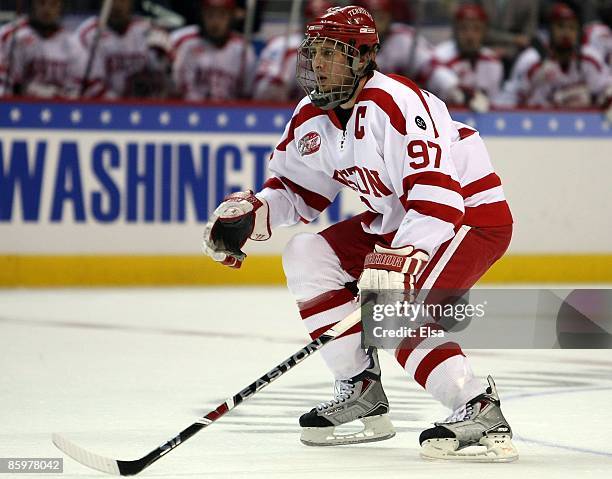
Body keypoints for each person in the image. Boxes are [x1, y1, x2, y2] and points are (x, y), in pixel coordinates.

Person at [203, 5, 517, 461]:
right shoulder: (311, 115)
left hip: (467, 217)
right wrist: (251, 215)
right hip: (397, 219)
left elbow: (438, 199)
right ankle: (361, 389)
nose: (319, 65)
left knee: (389, 310)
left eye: (333, 54)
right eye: (315, 53)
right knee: (307, 255)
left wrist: (404, 256)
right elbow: (295, 190)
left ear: (363, 58)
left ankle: (478, 406)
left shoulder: (395, 102)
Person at [496, 2, 612, 114]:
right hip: (539, 127)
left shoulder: (589, 59)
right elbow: (510, 99)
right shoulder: (532, 60)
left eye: (571, 28)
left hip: (582, 129)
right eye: (560, 26)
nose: (566, 33)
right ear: (550, 30)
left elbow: (606, 89)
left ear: (578, 33)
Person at [76, 0, 171, 98]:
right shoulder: (88, 34)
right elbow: (90, 86)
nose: (116, 5)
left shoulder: (148, 31)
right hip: (103, 108)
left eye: (122, 1)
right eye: (112, 1)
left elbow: (166, 81)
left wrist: (161, 60)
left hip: (142, 107)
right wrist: (122, 108)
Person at [0, 0, 93, 98]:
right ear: (32, 5)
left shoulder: (73, 43)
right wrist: (28, 90)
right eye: (41, 2)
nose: (47, 9)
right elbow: (4, 86)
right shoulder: (11, 36)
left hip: (60, 109)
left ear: (62, 7)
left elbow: (78, 89)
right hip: (20, 107)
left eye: (54, 4)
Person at [171, 0, 256, 101]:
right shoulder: (187, 44)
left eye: (222, 15)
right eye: (210, 15)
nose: (215, 22)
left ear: (232, 17)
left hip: (230, 113)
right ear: (201, 16)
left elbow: (247, 95)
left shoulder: (244, 50)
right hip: (192, 111)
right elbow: (180, 91)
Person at [253, 0, 334, 102]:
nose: (319, 30)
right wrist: (279, 82)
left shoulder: (341, 53)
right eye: (314, 21)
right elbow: (261, 95)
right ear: (306, 20)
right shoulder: (282, 46)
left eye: (325, 24)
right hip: (283, 110)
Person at [432, 3, 503, 112]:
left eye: (476, 29)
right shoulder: (439, 57)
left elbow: (493, 103)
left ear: (484, 32)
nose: (470, 35)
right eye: (464, 28)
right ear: (455, 31)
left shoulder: (493, 62)